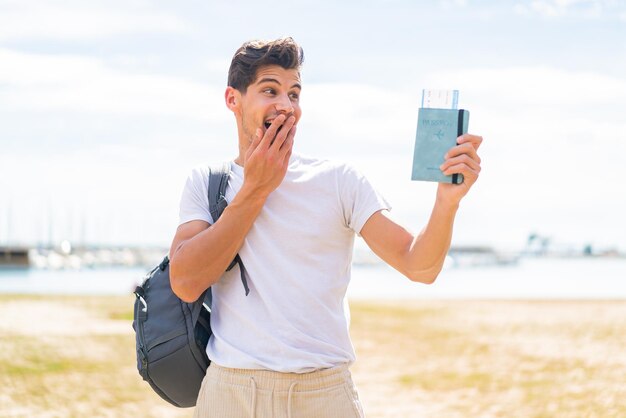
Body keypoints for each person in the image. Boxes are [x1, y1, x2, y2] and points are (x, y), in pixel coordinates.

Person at [169, 37, 482, 418]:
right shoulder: (205, 182)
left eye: (295, 93)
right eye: (270, 90)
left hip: (324, 395)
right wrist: (254, 189)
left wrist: (447, 203)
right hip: (232, 393)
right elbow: (185, 282)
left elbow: (420, 266)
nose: (286, 106)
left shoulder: (338, 181)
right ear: (233, 100)